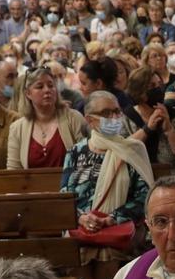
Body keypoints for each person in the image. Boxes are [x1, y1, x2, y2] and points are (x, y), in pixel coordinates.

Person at [64, 90, 154, 236]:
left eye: (117, 111)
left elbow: (145, 196)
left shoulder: (133, 150)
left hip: (121, 233)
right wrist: (82, 218)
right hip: (81, 232)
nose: (114, 117)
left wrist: (111, 219)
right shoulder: (75, 152)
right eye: (106, 113)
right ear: (89, 120)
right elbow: (66, 196)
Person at [4, 67, 84, 171]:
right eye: (40, 86)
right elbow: (14, 171)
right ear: (28, 93)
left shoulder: (74, 118)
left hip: (69, 185)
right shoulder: (17, 128)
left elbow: (86, 161)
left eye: (51, 85)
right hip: (31, 187)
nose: (47, 90)